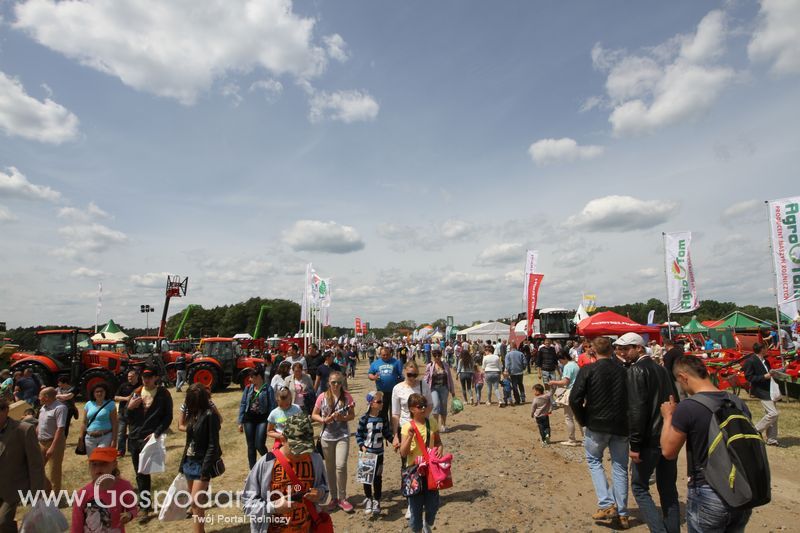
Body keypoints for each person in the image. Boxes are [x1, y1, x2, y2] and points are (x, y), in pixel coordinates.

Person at [660, 355, 755, 532]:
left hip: (708, 490)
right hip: (741, 490)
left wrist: (668, 417)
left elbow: (668, 451)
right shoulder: (736, 402)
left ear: (683, 377)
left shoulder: (688, 407)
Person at [615, 333, 679, 533]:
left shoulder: (635, 371)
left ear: (639, 348)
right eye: (621, 349)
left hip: (649, 440)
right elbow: (674, 401)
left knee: (640, 488)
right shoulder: (662, 370)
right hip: (667, 436)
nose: (622, 353)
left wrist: (634, 445)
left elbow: (636, 411)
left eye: (626, 349)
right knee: (668, 489)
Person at [569, 337, 630, 529]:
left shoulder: (588, 370)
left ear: (593, 351)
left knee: (595, 461)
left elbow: (575, 399)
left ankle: (606, 503)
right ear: (612, 350)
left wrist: (583, 419)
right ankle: (621, 513)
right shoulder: (624, 371)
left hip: (596, 425)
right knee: (620, 467)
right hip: (621, 425)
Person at [243, 413, 328, 533]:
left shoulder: (315, 459)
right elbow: (247, 505)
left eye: (306, 448)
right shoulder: (266, 463)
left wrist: (320, 493)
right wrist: (273, 507)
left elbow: (324, 489)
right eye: (296, 448)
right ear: (283, 439)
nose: (301, 454)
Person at [125, 366, 173, 516]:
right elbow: (126, 417)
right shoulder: (137, 392)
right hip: (134, 437)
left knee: (144, 471)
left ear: (155, 378)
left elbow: (168, 417)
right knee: (139, 473)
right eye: (144, 377)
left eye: (149, 377)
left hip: (149, 438)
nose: (146, 379)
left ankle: (145, 506)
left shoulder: (163, 394)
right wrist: (130, 408)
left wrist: (156, 433)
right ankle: (145, 505)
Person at [180, 384, 222, 533]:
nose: (188, 404)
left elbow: (213, 445)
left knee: (195, 502)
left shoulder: (210, 415)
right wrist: (182, 463)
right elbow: (188, 440)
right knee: (195, 504)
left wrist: (205, 470)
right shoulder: (193, 414)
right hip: (189, 462)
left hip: (201, 463)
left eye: (191, 401)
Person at [311, 371, 355, 512]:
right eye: (333, 382)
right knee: (329, 469)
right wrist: (324, 420)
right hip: (326, 437)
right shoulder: (322, 397)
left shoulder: (347, 397)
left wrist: (342, 418)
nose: (336, 385)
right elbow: (314, 415)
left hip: (342, 435)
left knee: (340, 466)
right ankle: (334, 498)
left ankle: (343, 498)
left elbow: (352, 415)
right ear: (328, 383)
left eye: (338, 382)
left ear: (342, 383)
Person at [400, 393, 444, 533]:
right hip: (414, 472)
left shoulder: (431, 422)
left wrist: (440, 449)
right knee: (415, 507)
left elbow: (438, 441)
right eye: (420, 406)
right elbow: (403, 452)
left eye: (425, 405)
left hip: (431, 470)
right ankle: (417, 529)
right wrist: (410, 437)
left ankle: (428, 523)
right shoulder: (407, 427)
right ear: (412, 409)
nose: (424, 408)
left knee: (433, 504)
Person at [0, 397, 45, 532]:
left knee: (2, 521)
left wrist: (36, 492)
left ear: (6, 411)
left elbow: (35, 464)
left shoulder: (23, 430)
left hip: (13, 488)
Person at [71, 446, 137, 532]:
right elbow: (76, 527)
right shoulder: (83, 494)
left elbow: (133, 508)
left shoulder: (124, 487)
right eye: (94, 464)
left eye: (103, 463)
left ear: (114, 464)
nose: (98, 468)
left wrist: (129, 515)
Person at [355, 391, 393, 516]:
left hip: (379, 453)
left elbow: (387, 433)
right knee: (366, 479)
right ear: (371, 403)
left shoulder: (383, 418)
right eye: (379, 401)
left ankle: (377, 500)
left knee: (377, 478)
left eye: (382, 401)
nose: (382, 404)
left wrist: (395, 442)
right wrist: (362, 446)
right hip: (367, 453)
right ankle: (368, 499)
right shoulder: (364, 419)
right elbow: (359, 435)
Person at [743, 342, 782, 446]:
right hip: (761, 391)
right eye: (766, 347)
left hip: (769, 390)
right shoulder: (750, 361)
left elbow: (768, 374)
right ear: (762, 349)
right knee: (773, 413)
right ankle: (754, 430)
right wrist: (765, 376)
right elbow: (749, 377)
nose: (768, 349)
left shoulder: (766, 361)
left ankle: (772, 439)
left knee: (773, 417)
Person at [239, 366, 276, 469]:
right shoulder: (248, 388)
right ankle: (253, 470)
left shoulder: (268, 389)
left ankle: (271, 462)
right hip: (249, 419)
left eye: (252, 377)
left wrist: (272, 422)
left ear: (259, 377)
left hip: (262, 419)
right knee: (251, 446)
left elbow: (272, 406)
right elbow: (243, 404)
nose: (250, 379)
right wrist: (240, 422)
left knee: (259, 444)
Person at [37, 387, 68, 494]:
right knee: (36, 468)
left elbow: (60, 429)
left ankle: (55, 498)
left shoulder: (60, 408)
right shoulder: (43, 408)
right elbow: (40, 425)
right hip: (41, 442)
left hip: (54, 442)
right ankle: (47, 490)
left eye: (40, 395)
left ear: (46, 397)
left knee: (54, 472)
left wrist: (52, 447)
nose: (38, 398)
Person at [547, 351, 582, 446]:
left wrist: (553, 382)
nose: (560, 362)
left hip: (570, 392)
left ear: (564, 358)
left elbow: (565, 382)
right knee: (579, 417)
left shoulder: (567, 366)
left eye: (560, 360)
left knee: (568, 417)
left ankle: (572, 439)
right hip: (578, 392)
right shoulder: (575, 364)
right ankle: (586, 439)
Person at [80, 383, 118, 455]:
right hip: (89, 438)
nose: (99, 393)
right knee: (92, 461)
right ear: (93, 393)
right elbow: (84, 422)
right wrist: (81, 438)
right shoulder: (88, 404)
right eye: (97, 392)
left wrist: (114, 440)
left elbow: (114, 423)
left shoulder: (111, 404)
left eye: (101, 391)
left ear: (105, 392)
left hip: (105, 437)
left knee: (102, 459)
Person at [368, 346, 404, 423]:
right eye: (383, 355)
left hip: (394, 391)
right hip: (381, 392)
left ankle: (393, 428)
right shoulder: (375, 363)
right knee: (382, 411)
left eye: (387, 354)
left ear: (390, 354)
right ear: (380, 355)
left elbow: (401, 375)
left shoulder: (396, 362)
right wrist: (374, 377)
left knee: (394, 411)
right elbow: (370, 374)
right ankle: (385, 428)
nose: (385, 356)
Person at [424, 348, 455, 432]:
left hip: (444, 388)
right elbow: (426, 379)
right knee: (436, 405)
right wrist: (424, 390)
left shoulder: (445, 365)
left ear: (441, 355)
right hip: (433, 388)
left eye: (439, 355)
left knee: (444, 406)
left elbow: (450, 378)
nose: (437, 357)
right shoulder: (430, 366)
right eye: (435, 355)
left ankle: (443, 425)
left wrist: (452, 390)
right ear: (432, 356)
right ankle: (435, 426)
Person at [114, 370, 140, 458]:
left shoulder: (140, 387)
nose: (129, 378)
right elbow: (115, 397)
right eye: (128, 376)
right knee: (121, 432)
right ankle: (121, 451)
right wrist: (126, 398)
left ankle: (131, 449)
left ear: (136, 376)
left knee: (132, 432)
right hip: (122, 412)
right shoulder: (123, 386)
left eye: (131, 376)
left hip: (135, 414)